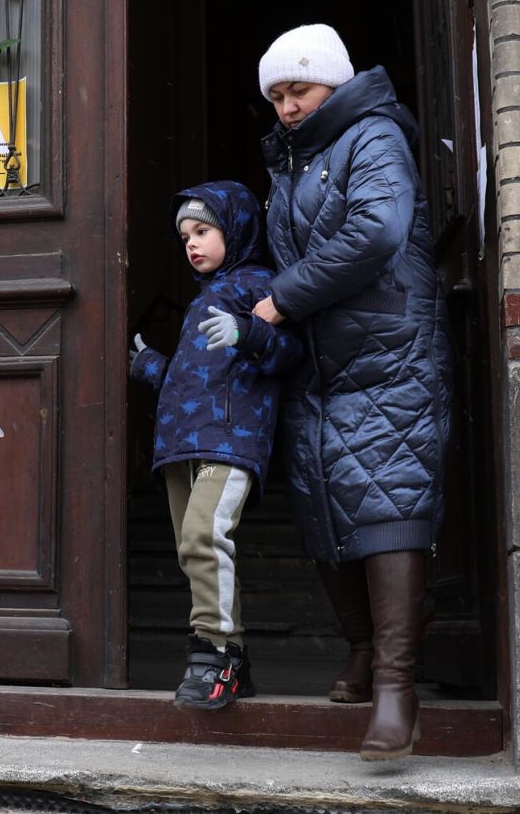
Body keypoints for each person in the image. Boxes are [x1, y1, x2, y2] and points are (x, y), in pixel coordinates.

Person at [253, 24, 453, 759]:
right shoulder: (293, 160)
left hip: (388, 355)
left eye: (299, 90)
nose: (287, 106)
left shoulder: (373, 135)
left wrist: (284, 298)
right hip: (320, 365)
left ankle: (399, 690)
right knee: (324, 506)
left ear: (334, 83)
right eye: (276, 95)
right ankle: (363, 650)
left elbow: (378, 230)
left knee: (391, 507)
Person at [130, 180, 303, 710]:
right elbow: (196, 377)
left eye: (203, 231)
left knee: (204, 536)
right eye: (185, 236)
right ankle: (234, 658)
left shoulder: (260, 285)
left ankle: (215, 656)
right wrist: (152, 366)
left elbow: (289, 354)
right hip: (182, 443)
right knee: (194, 550)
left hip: (232, 439)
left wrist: (249, 332)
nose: (192, 243)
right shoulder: (203, 299)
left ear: (236, 228)